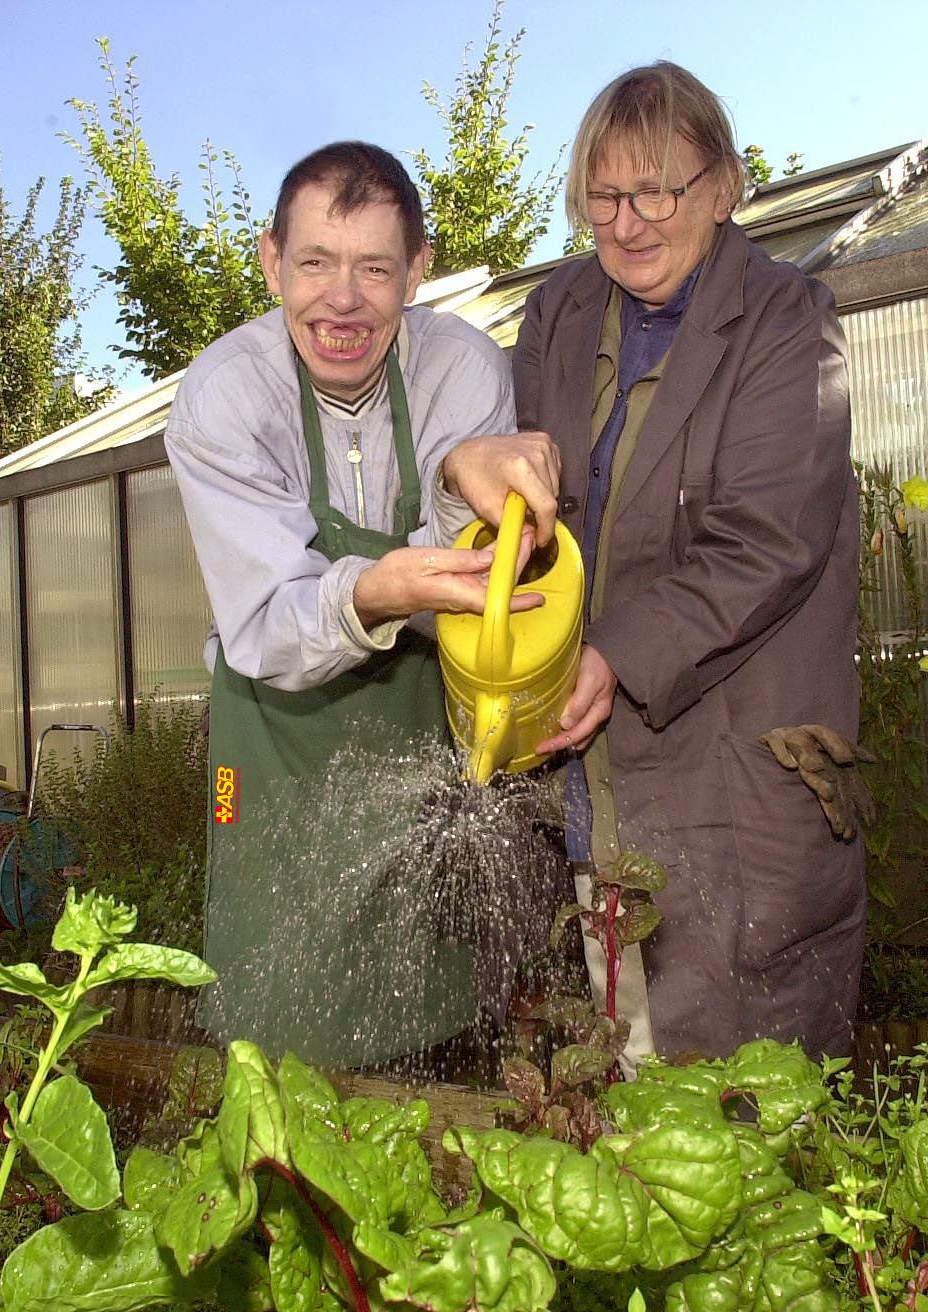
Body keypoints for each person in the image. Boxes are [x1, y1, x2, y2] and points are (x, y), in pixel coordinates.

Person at [497, 62, 865, 1061]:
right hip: (599, 767)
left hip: (734, 760)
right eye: (603, 196)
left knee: (749, 1075)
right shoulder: (561, 315)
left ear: (725, 185)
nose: (628, 223)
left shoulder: (789, 321)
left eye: (657, 190)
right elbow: (535, 508)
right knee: (627, 1048)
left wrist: (612, 654)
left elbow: (767, 540)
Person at [165, 141, 556, 1069]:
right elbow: (267, 623)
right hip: (276, 734)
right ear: (270, 262)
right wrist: (380, 590)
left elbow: (476, 575)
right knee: (275, 1013)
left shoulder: (462, 370)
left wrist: (466, 477)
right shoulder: (227, 400)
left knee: (432, 998)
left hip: (416, 735)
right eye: (315, 264)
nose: (342, 301)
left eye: (375, 269)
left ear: (416, 273)